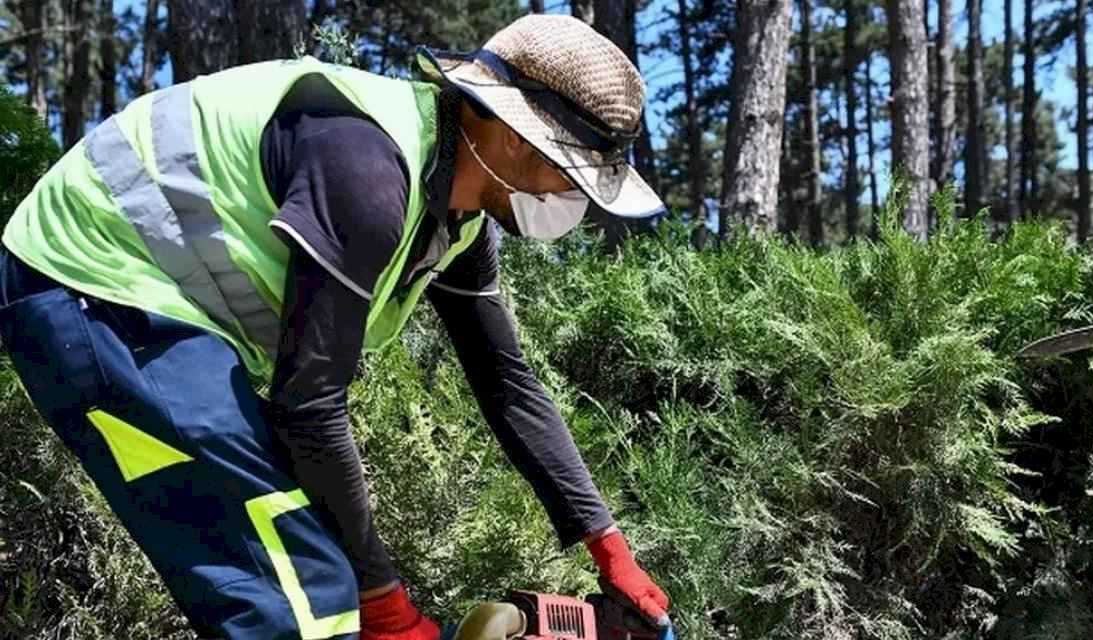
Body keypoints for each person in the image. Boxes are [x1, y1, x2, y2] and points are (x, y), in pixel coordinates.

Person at [0, 15, 669, 640]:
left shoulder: (458, 224)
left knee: (310, 570)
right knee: (300, 593)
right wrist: (387, 605)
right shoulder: (369, 173)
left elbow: (508, 384)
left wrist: (607, 546)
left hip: (156, 317)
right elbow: (310, 406)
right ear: (505, 128)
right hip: (88, 287)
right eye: (566, 166)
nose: (566, 194)